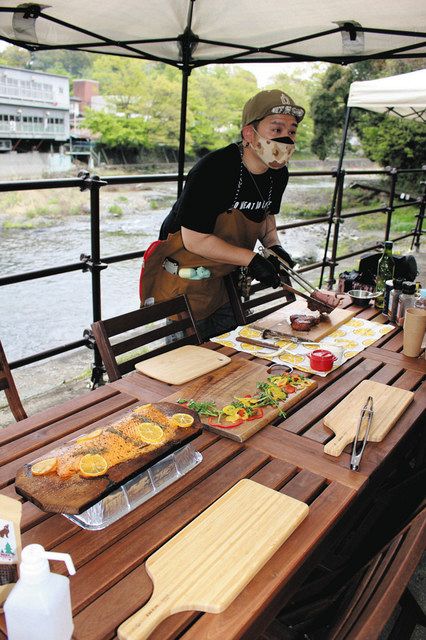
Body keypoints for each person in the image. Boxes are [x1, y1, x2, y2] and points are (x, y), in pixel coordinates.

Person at [139, 89, 305, 341]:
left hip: (226, 279)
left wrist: (274, 246)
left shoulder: (278, 173)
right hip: (187, 279)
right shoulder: (214, 170)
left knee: (232, 352)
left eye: (291, 131)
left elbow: (266, 215)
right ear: (249, 133)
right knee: (187, 362)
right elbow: (195, 240)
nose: (287, 139)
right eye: (277, 129)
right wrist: (251, 259)